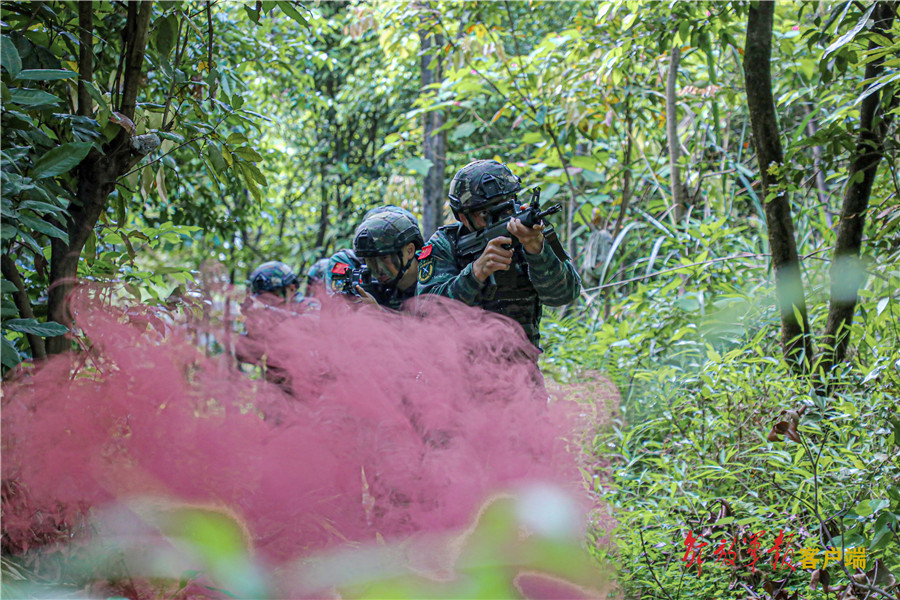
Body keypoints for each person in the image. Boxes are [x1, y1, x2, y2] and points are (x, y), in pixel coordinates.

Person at [417, 159, 581, 349]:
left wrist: (537, 250)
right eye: (487, 213)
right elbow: (424, 314)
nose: (504, 217)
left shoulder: (530, 234)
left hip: (520, 372)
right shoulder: (445, 245)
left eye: (507, 206)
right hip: (456, 372)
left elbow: (564, 296)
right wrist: (475, 273)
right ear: (463, 217)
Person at [351, 205, 424, 311]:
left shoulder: (434, 279)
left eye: (384, 257)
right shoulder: (370, 284)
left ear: (410, 251)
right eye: (370, 260)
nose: (378, 268)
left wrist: (380, 314)